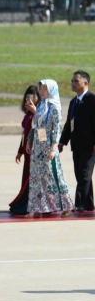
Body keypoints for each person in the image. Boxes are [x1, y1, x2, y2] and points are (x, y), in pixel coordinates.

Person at [28, 79, 74, 216]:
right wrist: (30, 141)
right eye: (40, 89)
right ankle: (39, 207)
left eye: (45, 89)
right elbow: (36, 125)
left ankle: (67, 205)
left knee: (54, 177)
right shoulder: (42, 105)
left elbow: (56, 130)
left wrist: (54, 147)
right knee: (37, 178)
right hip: (38, 147)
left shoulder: (54, 107)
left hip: (48, 148)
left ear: (51, 90)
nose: (42, 92)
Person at [59, 71, 95, 212]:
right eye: (72, 81)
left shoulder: (92, 100)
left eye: (76, 81)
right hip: (77, 145)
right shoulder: (74, 102)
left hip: (90, 145)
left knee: (85, 175)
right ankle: (89, 204)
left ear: (85, 83)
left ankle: (79, 205)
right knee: (80, 175)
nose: (72, 83)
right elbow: (69, 124)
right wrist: (62, 142)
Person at [9, 86, 38, 215]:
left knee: (32, 178)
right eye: (27, 97)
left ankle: (31, 204)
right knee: (26, 177)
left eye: (33, 97)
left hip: (36, 150)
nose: (29, 100)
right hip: (27, 151)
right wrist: (20, 150)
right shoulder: (28, 114)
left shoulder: (39, 112)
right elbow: (24, 134)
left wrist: (36, 112)